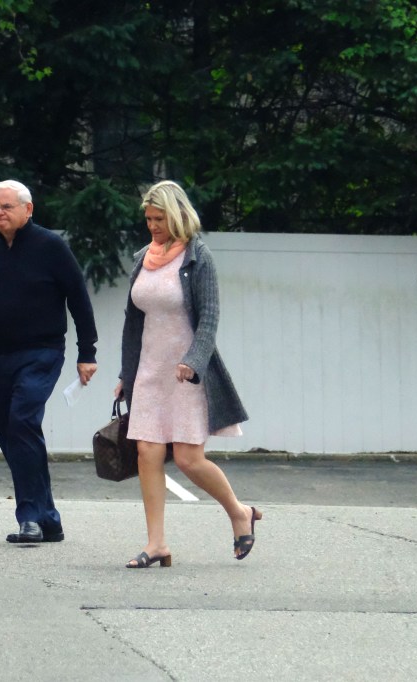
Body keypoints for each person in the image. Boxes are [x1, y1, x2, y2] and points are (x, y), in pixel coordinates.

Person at [114, 180, 259, 568]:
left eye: (159, 218)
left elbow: (209, 317)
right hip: (149, 370)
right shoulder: (143, 257)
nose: (153, 226)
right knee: (147, 453)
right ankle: (156, 543)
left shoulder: (198, 257)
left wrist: (194, 360)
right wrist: (126, 374)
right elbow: (133, 322)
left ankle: (238, 512)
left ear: (177, 215)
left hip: (186, 373)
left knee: (189, 458)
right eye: (148, 218)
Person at [0, 180, 98, 544]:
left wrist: (87, 353)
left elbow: (79, 300)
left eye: (7, 207)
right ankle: (50, 519)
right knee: (13, 435)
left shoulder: (51, 247)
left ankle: (29, 518)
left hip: (41, 353)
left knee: (22, 421)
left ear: (28, 209)